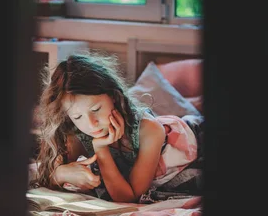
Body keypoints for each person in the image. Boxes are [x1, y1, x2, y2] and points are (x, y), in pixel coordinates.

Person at [30, 51, 204, 203]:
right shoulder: (75, 135)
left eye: (96, 109)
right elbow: (42, 172)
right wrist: (61, 174)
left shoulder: (149, 130)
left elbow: (129, 197)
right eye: (77, 116)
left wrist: (101, 149)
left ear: (113, 96)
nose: (91, 123)